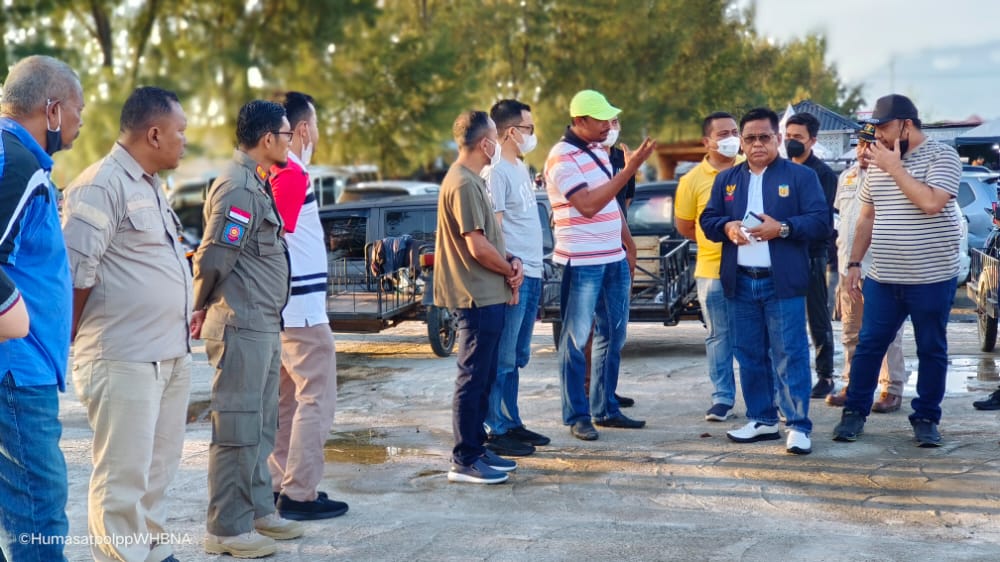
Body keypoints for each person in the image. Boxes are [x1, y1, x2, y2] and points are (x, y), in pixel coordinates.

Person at [61, 86, 191, 562]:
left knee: (157, 471)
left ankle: (152, 550)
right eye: (180, 131)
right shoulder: (101, 185)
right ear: (154, 134)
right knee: (122, 478)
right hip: (123, 359)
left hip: (168, 354)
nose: (185, 141)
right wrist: (70, 345)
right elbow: (73, 279)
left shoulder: (150, 185)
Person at [192, 100, 303, 558]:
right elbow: (214, 257)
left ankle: (257, 511)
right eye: (286, 134)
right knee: (236, 429)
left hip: (262, 322)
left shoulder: (255, 181)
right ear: (267, 139)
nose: (291, 142)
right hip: (240, 324)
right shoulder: (237, 187)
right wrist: (197, 305)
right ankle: (226, 528)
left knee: (260, 426)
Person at [833, 94, 962, 447]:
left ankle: (926, 418)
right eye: (875, 128)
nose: (878, 135)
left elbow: (931, 202)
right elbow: (866, 216)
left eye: (884, 127)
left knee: (931, 348)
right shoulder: (879, 162)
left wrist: (895, 168)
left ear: (906, 124)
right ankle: (854, 413)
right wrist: (855, 263)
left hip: (931, 277)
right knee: (869, 345)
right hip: (884, 277)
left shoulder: (942, 156)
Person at [700, 107, 830, 456]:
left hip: (782, 282)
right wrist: (727, 226)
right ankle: (762, 419)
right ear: (742, 142)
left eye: (764, 137)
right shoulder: (727, 180)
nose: (757, 144)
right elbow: (708, 219)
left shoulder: (801, 177)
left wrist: (783, 228)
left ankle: (798, 425)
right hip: (740, 282)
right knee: (749, 354)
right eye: (750, 138)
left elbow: (820, 222)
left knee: (790, 353)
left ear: (778, 138)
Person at [0, 54, 84, 561]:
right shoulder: (16, 162)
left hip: (21, 367)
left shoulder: (17, 157)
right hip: (16, 370)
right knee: (39, 510)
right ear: (52, 110)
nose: (80, 121)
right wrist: (14, 316)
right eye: (77, 110)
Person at [544, 89, 655, 441]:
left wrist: (627, 245)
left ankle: (605, 407)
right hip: (582, 262)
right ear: (580, 121)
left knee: (614, 334)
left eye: (611, 118)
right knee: (576, 340)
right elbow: (589, 205)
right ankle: (577, 415)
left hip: (612, 258)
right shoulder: (562, 157)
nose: (609, 125)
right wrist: (631, 169)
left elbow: (611, 205)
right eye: (602, 119)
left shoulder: (597, 152)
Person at [266, 92, 349, 520]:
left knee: (289, 402)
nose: (316, 134)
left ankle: (279, 483)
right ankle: (299, 493)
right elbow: (271, 237)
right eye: (314, 126)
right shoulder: (292, 172)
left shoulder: (273, 170)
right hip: (301, 311)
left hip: (285, 308)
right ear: (301, 129)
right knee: (317, 399)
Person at [436, 110, 523, 484]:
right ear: (485, 144)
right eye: (496, 139)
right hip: (475, 295)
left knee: (484, 376)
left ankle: (477, 445)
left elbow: (489, 239)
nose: (499, 145)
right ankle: (464, 458)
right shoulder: (463, 183)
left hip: (488, 293)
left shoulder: (472, 180)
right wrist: (508, 270)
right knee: (472, 378)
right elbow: (476, 246)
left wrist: (511, 260)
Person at [481, 99, 550, 457]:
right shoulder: (495, 172)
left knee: (518, 356)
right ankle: (495, 427)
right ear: (510, 132)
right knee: (503, 357)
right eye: (528, 129)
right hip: (514, 277)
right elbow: (495, 231)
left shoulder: (519, 167)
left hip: (533, 272)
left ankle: (511, 420)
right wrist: (509, 273)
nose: (532, 135)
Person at [826, 123, 908, 413]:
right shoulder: (846, 177)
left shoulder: (894, 177)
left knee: (887, 334)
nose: (863, 151)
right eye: (860, 145)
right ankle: (852, 384)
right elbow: (844, 220)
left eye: (870, 145)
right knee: (851, 331)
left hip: (881, 269)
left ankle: (891, 388)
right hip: (848, 268)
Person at [674, 111, 742, 422]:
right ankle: (722, 397)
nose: (731, 139)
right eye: (723, 134)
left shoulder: (751, 168)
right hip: (712, 271)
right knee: (718, 336)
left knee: (759, 337)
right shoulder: (692, 180)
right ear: (707, 141)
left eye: (734, 132)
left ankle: (766, 399)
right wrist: (713, 239)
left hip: (752, 267)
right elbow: (686, 225)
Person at [784, 112, 838, 398]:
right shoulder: (780, 169)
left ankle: (825, 375)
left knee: (817, 316)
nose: (791, 142)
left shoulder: (822, 174)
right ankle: (791, 372)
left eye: (798, 137)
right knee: (785, 317)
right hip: (783, 251)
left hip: (812, 253)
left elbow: (820, 218)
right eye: (788, 136)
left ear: (813, 141)